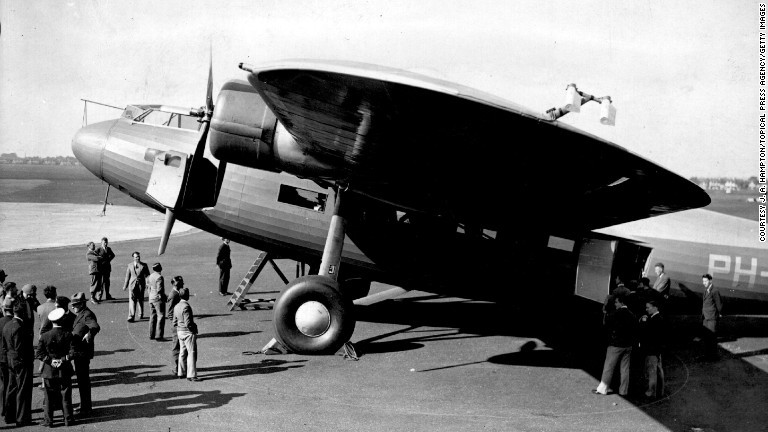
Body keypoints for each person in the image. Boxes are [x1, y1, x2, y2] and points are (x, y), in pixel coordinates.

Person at [36, 308, 76, 427]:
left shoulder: (44, 336)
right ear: (62, 319)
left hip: (49, 370)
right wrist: (62, 360)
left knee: (48, 396)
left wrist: (51, 361)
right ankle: (68, 419)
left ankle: (49, 420)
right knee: (66, 394)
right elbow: (72, 353)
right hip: (65, 369)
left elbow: (39, 354)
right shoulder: (68, 335)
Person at [594, 295, 637, 396]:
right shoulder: (632, 315)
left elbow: (606, 325)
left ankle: (603, 388)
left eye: (617, 302)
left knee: (609, 367)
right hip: (628, 345)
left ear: (621, 303)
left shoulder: (615, 314)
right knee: (625, 369)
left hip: (615, 345)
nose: (615, 304)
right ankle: (623, 391)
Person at [2, 301, 34, 426]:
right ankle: (22, 418)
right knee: (23, 389)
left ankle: (9, 415)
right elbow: (20, 348)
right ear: (24, 313)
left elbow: (5, 346)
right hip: (21, 362)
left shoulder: (8, 325)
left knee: (12, 387)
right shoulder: (20, 327)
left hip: (10, 360)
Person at [70, 292, 100, 417]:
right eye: (73, 305)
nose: (73, 307)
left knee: (83, 381)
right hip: (79, 352)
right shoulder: (81, 313)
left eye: (76, 305)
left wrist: (90, 333)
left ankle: (86, 408)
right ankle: (84, 405)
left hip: (82, 353)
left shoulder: (87, 315)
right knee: (82, 380)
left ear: (82, 304)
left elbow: (95, 326)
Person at [639, 299, 666, 399]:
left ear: (655, 307)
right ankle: (660, 391)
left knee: (651, 371)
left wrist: (644, 322)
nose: (646, 310)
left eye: (648, 307)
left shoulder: (653, 320)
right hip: (657, 350)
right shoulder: (659, 318)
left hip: (651, 350)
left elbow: (647, 334)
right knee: (658, 371)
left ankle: (651, 392)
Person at [173, 288, 200, 381]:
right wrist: (193, 330)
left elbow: (174, 322)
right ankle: (191, 374)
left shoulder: (176, 306)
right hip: (187, 332)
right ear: (187, 296)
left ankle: (181, 372)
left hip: (179, 331)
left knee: (182, 352)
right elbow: (188, 323)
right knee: (191, 353)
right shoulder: (186, 306)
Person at [123, 251, 150, 322]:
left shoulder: (144, 265)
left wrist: (148, 285)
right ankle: (131, 316)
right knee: (132, 300)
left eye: (138, 257)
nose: (137, 258)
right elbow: (127, 276)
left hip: (141, 285)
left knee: (140, 300)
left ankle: (141, 314)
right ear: (133, 258)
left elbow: (147, 276)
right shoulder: (130, 265)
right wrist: (125, 285)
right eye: (136, 257)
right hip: (132, 285)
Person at [701, 274, 723, 359]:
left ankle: (714, 356)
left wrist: (719, 313)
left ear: (710, 281)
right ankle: (707, 355)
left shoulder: (715, 290)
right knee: (706, 337)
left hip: (712, 317)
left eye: (706, 281)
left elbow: (719, 305)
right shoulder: (706, 290)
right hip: (706, 317)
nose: (704, 283)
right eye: (703, 281)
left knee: (712, 337)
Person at [0, 298, 15, 423]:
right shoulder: (14, 323)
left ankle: (2, 408)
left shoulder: (0, 321)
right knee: (10, 384)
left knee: (2, 383)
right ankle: (9, 408)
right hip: (9, 357)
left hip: (0, 356)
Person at [167, 276, 183, 374]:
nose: (181, 285)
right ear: (174, 284)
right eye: (180, 284)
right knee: (176, 346)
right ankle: (177, 368)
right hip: (176, 325)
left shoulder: (178, 293)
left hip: (179, 323)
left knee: (180, 345)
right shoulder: (173, 295)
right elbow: (170, 312)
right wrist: (175, 323)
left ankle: (180, 366)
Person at [147, 263, 166, 340]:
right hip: (157, 299)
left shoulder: (151, 276)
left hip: (151, 298)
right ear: (160, 268)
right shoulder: (159, 277)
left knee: (152, 316)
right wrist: (163, 297)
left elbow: (148, 286)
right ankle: (159, 335)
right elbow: (160, 289)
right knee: (160, 316)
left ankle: (151, 334)